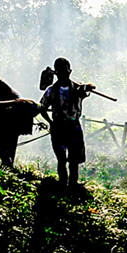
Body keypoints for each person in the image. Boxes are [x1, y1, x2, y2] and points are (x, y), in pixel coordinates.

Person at [38, 56, 95, 190]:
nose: (63, 74)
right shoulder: (51, 91)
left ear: (70, 72)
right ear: (56, 73)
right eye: (60, 72)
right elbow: (42, 108)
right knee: (61, 159)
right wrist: (50, 122)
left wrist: (87, 86)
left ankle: (73, 185)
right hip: (58, 127)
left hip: (73, 127)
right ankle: (63, 184)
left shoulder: (77, 88)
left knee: (74, 160)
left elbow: (90, 87)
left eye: (65, 72)